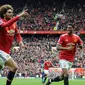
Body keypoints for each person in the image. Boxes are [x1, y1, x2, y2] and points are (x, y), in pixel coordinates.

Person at [0, 4, 28, 85]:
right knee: (14, 67)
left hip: (6, 51)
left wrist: (20, 41)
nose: (11, 14)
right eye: (9, 12)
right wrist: (20, 15)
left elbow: (17, 33)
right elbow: (6, 25)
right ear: (4, 14)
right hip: (0, 50)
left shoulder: (14, 23)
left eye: (12, 12)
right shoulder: (1, 21)